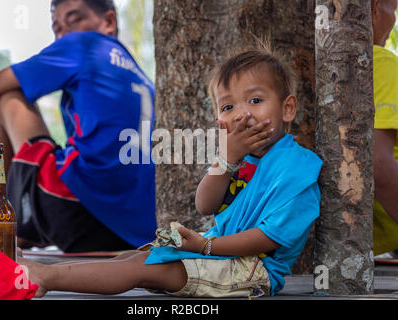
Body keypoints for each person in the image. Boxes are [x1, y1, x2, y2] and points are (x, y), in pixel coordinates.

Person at [19, 46, 323, 298]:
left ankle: (44, 277)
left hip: (254, 272)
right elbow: (206, 204)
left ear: (287, 109)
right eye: (228, 107)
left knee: (142, 267)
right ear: (218, 118)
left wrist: (205, 246)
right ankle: (45, 273)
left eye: (255, 101)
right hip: (221, 253)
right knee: (138, 256)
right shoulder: (237, 158)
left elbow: (267, 239)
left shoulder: (297, 168)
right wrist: (226, 161)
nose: (243, 114)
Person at [0, 0, 157, 253]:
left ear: (108, 22)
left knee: (7, 98)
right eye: (56, 28)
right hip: (130, 232)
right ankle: (19, 229)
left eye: (74, 20)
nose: (62, 35)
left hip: (78, 213)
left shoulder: (83, 45)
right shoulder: (139, 74)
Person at [370, 0, 398, 257]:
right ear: (375, 8)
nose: (394, 19)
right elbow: (377, 160)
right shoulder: (380, 61)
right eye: (394, 9)